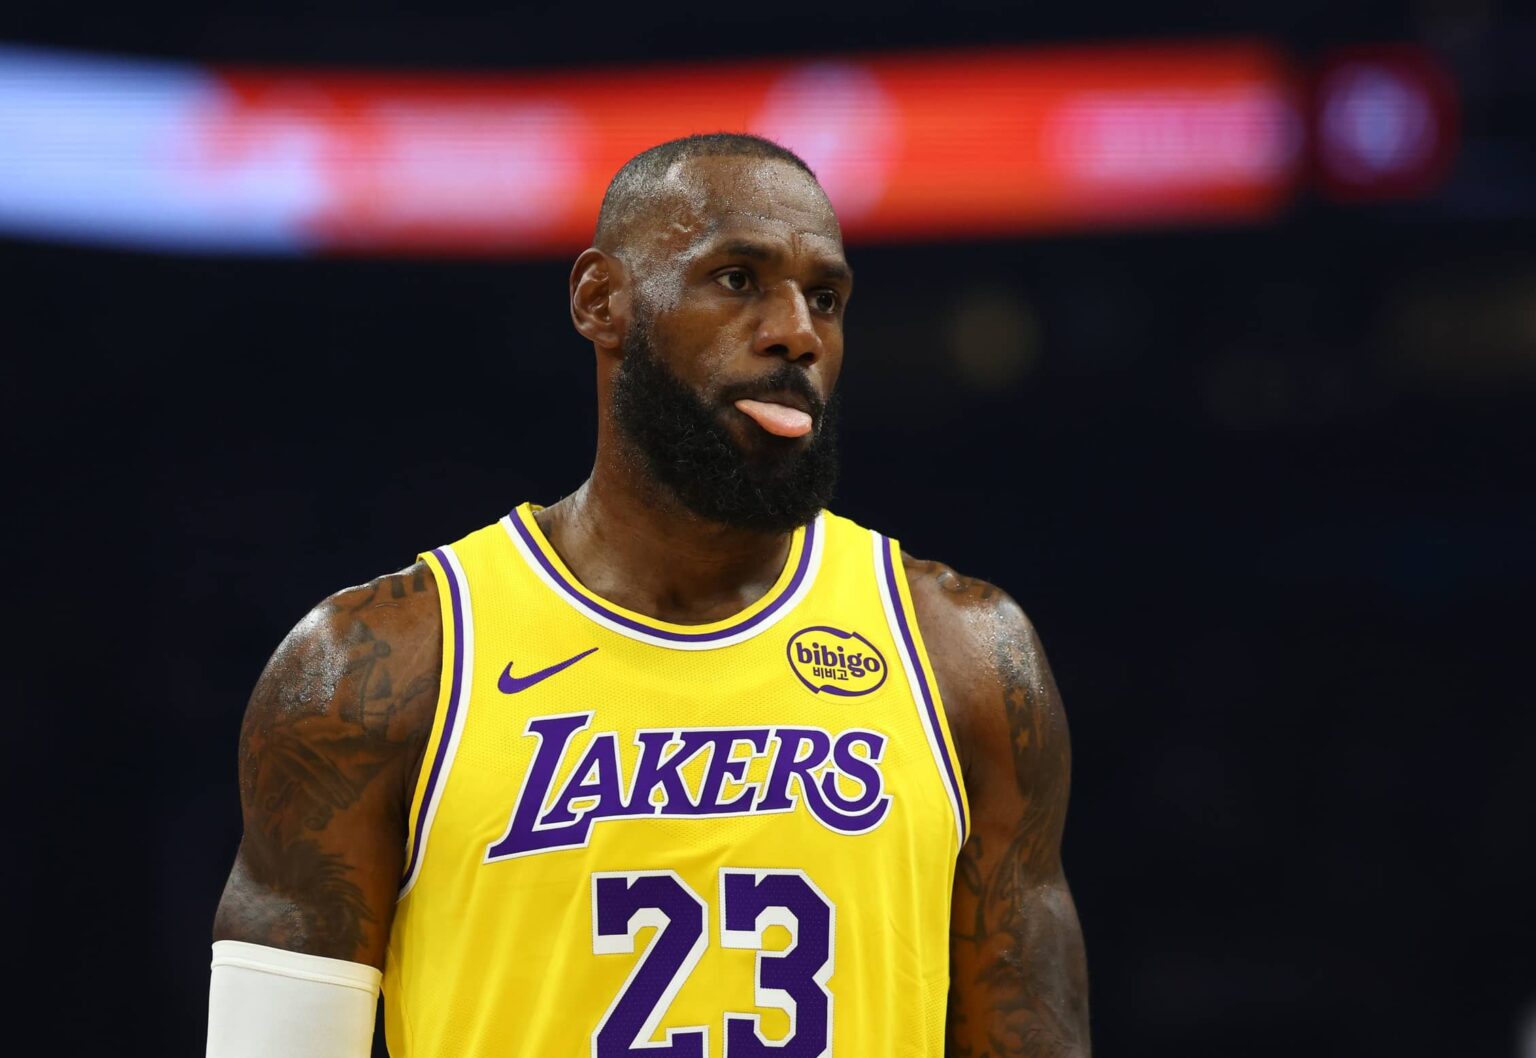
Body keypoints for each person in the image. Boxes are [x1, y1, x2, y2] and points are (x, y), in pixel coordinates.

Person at [206, 132, 1090, 1058]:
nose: (798, 330)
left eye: (825, 298)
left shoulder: (966, 655)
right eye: (739, 279)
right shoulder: (374, 667)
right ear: (602, 301)